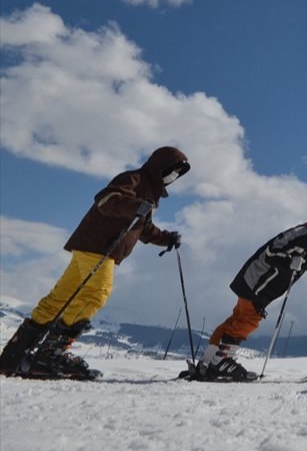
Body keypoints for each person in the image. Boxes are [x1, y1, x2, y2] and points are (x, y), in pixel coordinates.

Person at [0, 147, 188, 380]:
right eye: (173, 171)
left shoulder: (149, 191)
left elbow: (142, 228)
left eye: (178, 174)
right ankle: (49, 355)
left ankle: (14, 356)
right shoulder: (134, 179)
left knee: (59, 299)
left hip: (90, 246)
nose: (174, 177)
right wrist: (134, 206)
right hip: (100, 247)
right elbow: (106, 200)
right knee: (96, 294)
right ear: (162, 166)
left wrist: (166, 238)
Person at [194, 206, 307, 382]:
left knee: (237, 319)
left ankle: (209, 359)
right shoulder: (299, 235)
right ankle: (221, 361)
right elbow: (271, 252)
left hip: (261, 286)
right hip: (256, 281)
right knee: (248, 320)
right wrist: (290, 262)